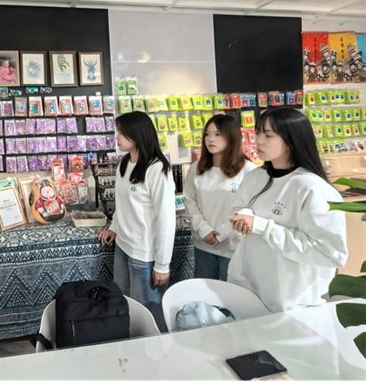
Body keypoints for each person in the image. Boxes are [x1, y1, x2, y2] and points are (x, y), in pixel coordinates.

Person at [227, 107, 348, 312]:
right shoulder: (255, 177)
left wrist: (262, 226)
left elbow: (331, 253)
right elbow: (238, 208)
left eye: (268, 135)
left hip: (290, 301)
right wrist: (244, 215)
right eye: (257, 133)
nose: (258, 141)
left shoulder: (312, 188)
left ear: (291, 141)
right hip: (247, 287)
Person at [97, 111, 175, 332]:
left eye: (121, 132)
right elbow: (122, 203)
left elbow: (166, 219)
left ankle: (155, 350)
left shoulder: (157, 169)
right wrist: (114, 228)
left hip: (144, 254)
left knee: (148, 315)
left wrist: (162, 264)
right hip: (123, 247)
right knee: (125, 304)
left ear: (137, 134)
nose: (117, 137)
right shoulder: (124, 163)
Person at [183, 115, 256, 281]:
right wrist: (204, 229)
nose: (211, 139)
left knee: (232, 294)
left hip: (234, 247)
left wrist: (222, 234)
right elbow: (190, 203)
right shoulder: (196, 168)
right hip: (203, 245)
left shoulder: (249, 171)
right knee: (205, 293)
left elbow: (249, 210)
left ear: (231, 137)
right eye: (207, 134)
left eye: (217, 134)